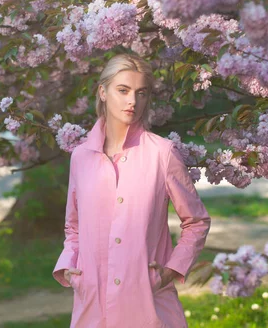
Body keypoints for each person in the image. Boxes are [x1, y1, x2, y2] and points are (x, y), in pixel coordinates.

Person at [52, 53, 211, 327]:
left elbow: (196, 221)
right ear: (102, 92)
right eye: (123, 90)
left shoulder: (162, 153)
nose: (132, 101)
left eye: (141, 93)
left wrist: (168, 273)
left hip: (148, 304)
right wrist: (71, 269)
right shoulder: (81, 157)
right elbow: (74, 227)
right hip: (93, 303)